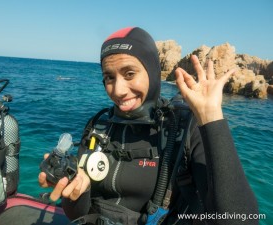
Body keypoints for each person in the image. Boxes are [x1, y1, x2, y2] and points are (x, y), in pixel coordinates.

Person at [38, 27, 258, 224]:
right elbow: (77, 214)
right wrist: (79, 190)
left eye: (130, 73)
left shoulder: (185, 128)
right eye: (109, 77)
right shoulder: (99, 126)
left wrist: (211, 118)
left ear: (153, 73)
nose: (118, 90)